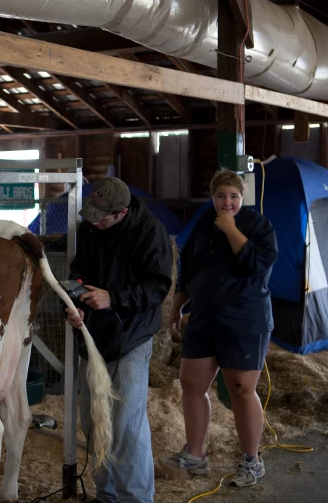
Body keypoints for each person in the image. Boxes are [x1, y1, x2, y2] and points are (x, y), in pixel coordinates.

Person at [161, 170, 278, 488]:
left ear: (242, 198)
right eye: (221, 196)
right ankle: (195, 455)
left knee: (241, 389)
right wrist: (177, 306)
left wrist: (230, 229)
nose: (227, 202)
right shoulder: (202, 225)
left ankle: (251, 460)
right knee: (191, 385)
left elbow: (257, 264)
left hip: (244, 320)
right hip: (204, 318)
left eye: (234, 197)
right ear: (212, 198)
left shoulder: (258, 226)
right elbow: (188, 272)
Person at [65, 177, 173, 503]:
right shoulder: (89, 230)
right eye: (91, 213)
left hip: (131, 338)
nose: (93, 220)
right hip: (94, 335)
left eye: (101, 216)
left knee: (125, 423)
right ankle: (106, 494)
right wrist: (74, 306)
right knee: (93, 418)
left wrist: (114, 297)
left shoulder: (150, 233)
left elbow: (157, 287)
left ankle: (136, 498)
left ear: (121, 213)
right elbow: (77, 275)